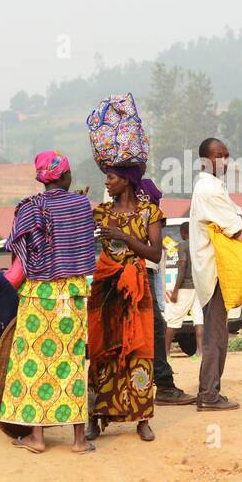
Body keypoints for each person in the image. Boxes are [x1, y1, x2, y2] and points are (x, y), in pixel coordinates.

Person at [0, 150, 97, 453]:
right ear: (65, 176)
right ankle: (79, 440)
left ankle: (37, 438)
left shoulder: (30, 208)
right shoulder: (82, 204)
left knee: (33, 364)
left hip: (39, 295)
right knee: (72, 362)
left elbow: (17, 247)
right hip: (73, 295)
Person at [87, 165, 163, 442]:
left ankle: (142, 418)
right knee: (102, 349)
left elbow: (155, 253)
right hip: (105, 287)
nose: (107, 183)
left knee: (140, 348)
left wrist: (124, 237)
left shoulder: (149, 212)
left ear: (127, 181)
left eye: (111, 178)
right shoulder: (100, 213)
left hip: (135, 288)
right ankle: (95, 417)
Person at [187, 138, 242, 410]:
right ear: (204, 160)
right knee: (215, 335)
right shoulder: (208, 190)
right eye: (218, 156)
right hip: (213, 271)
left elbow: (238, 217)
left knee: (219, 333)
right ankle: (209, 395)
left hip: (216, 270)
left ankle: (211, 392)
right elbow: (236, 225)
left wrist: (240, 219)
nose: (224, 161)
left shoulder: (213, 186)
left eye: (226, 155)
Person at [140, 177, 194, 404]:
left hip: (146, 275)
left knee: (155, 328)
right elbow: (154, 254)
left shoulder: (138, 212)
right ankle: (162, 385)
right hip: (142, 275)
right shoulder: (146, 212)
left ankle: (158, 383)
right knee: (155, 329)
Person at [163, 221, 203, 357]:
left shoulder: (183, 245)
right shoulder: (200, 246)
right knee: (199, 320)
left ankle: (166, 352)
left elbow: (182, 268)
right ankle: (200, 352)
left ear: (183, 233)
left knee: (173, 320)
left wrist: (175, 291)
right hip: (199, 287)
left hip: (185, 287)